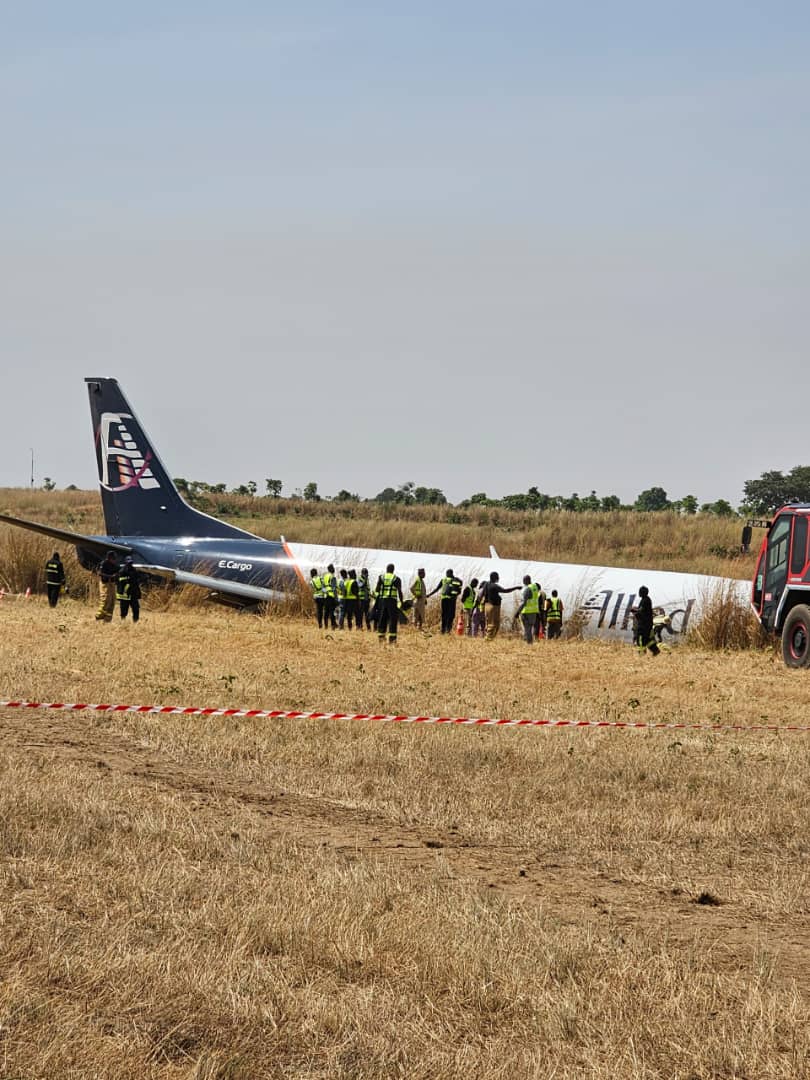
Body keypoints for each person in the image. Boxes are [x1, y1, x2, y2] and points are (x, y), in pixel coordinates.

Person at [478, 572, 521, 641]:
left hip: (487, 606)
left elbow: (481, 595)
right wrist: (516, 588)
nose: (498, 578)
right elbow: (505, 590)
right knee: (493, 624)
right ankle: (488, 639)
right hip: (493, 607)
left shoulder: (486, 584)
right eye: (497, 577)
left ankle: (489, 638)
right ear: (495, 578)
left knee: (490, 623)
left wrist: (480, 604)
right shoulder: (494, 586)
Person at [375, 563, 403, 644]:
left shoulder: (381, 577)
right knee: (392, 620)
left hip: (382, 600)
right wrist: (401, 601)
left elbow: (377, 589)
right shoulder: (396, 579)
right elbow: (399, 592)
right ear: (393, 570)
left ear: (386, 569)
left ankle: (381, 637)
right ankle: (392, 639)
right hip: (392, 601)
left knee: (382, 618)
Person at [632, 586, 660, 655]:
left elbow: (641, 610)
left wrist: (634, 610)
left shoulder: (645, 600)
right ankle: (655, 650)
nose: (639, 593)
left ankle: (642, 653)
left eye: (640, 591)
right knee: (646, 639)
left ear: (643, 593)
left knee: (640, 638)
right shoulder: (645, 599)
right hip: (646, 623)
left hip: (645, 624)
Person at [515, 575, 540, 644]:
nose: (523, 582)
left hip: (526, 611)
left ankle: (529, 643)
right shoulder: (534, 587)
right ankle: (529, 642)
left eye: (523, 580)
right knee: (530, 628)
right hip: (534, 611)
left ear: (526, 580)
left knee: (527, 628)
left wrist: (517, 612)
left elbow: (524, 602)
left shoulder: (527, 589)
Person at [116, 556, 141, 622]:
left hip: (133, 593)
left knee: (136, 608)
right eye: (128, 562)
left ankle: (135, 621)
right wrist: (129, 581)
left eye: (131, 562)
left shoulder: (134, 570)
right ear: (126, 562)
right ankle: (123, 621)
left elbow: (136, 582)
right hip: (125, 594)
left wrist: (138, 592)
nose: (130, 564)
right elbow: (120, 582)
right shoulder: (122, 571)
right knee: (124, 609)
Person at [95, 551, 119, 622]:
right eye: (113, 558)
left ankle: (107, 619)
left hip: (112, 583)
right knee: (106, 600)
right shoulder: (104, 564)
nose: (115, 560)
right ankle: (99, 616)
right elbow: (99, 573)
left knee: (112, 601)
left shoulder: (114, 565)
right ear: (109, 558)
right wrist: (111, 576)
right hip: (105, 583)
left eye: (115, 558)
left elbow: (119, 570)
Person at [438, 568, 462, 634]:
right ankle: (448, 630)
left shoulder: (443, 579)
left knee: (444, 615)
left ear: (447, 573)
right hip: (452, 600)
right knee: (451, 615)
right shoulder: (456, 580)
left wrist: (429, 594)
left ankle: (442, 630)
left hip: (444, 599)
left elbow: (437, 588)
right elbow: (459, 591)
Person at [322, 564, 338, 629]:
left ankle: (326, 626)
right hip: (331, 596)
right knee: (332, 612)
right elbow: (334, 588)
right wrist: (336, 598)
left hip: (326, 596)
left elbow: (322, 587)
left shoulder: (325, 576)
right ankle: (333, 626)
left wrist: (325, 592)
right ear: (332, 569)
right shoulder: (332, 577)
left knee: (326, 612)